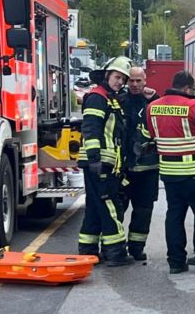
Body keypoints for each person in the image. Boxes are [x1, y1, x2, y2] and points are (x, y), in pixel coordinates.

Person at [143, 71, 195, 275]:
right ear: (189, 88)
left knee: (174, 216)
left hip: (169, 172)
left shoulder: (152, 107)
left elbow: (148, 134)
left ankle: (176, 262)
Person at [77, 56, 135, 267]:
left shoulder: (110, 98)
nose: (120, 82)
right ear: (107, 75)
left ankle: (88, 250)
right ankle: (115, 252)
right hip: (99, 161)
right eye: (117, 77)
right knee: (109, 204)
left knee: (95, 206)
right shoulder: (97, 97)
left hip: (105, 161)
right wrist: (95, 158)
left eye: (123, 79)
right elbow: (91, 128)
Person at [118, 66, 160, 261]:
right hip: (124, 168)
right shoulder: (119, 101)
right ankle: (115, 247)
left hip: (148, 167)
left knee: (143, 211)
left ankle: (136, 248)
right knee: (118, 209)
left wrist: (155, 98)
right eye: (131, 81)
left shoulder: (153, 102)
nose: (134, 84)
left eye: (138, 81)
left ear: (145, 81)